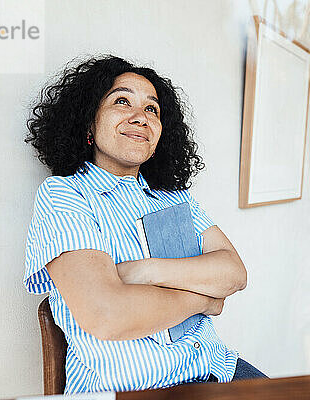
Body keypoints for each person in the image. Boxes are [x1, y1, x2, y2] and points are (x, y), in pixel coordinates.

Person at [23, 55, 267, 393]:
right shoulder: (65, 195)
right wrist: (203, 300)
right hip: (140, 388)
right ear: (89, 125)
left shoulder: (174, 197)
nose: (140, 118)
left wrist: (143, 271)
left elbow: (233, 273)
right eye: (122, 101)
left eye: (152, 109)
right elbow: (107, 315)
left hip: (218, 367)